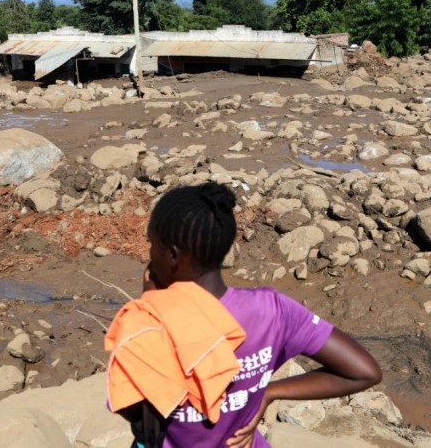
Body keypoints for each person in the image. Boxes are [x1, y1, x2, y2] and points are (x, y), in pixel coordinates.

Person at [107, 182, 382, 448]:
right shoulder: (272, 309)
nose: (149, 252)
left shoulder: (150, 324)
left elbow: (134, 411)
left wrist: (150, 303)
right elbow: (363, 372)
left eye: (151, 243)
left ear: (173, 255)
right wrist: (269, 392)